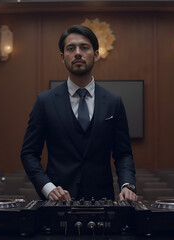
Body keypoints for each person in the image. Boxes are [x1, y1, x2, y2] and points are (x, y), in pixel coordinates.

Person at [21, 25, 137, 201]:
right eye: (71, 48)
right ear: (62, 57)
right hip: (57, 203)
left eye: (84, 47)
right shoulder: (44, 102)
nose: (77, 53)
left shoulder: (114, 102)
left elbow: (123, 154)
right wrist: (48, 188)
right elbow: (29, 153)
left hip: (102, 201)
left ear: (96, 54)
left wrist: (127, 185)